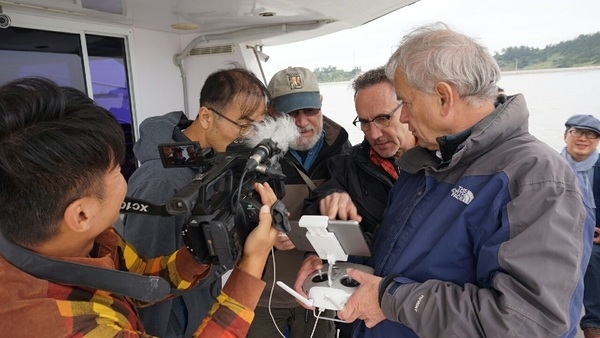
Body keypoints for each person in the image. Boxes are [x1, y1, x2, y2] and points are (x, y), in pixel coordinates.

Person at [334, 23, 593, 337]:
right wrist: (336, 273)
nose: (402, 117)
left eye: (407, 103)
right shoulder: (425, 163)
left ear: (444, 97)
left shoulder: (538, 179)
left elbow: (523, 323)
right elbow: (402, 260)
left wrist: (392, 299)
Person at [0, 77, 281, 336]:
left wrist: (205, 249)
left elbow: (141, 278)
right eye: (116, 170)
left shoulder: (96, 241)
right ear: (82, 214)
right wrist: (251, 264)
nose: (127, 176)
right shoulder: (65, 325)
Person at [122, 67, 271, 337]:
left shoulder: (212, 159)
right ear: (206, 117)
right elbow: (145, 283)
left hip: (202, 310)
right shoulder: (162, 182)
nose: (251, 136)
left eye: (257, 126)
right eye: (244, 124)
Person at [297, 67, 416, 338]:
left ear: (407, 108)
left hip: (418, 310)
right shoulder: (346, 165)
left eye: (383, 118)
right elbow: (314, 204)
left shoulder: (443, 165)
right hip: (362, 314)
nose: (374, 134)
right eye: (364, 122)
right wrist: (328, 202)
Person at [247, 66, 351, 338]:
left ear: (321, 104)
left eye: (310, 111)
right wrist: (265, 230)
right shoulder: (254, 154)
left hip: (321, 289)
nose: (303, 121)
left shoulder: (344, 149)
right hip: (263, 294)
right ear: (272, 112)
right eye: (292, 113)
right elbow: (236, 212)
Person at [561, 114, 600, 338]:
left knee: (593, 255)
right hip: (560, 235)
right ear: (566, 135)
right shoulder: (548, 164)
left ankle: (593, 325)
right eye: (577, 132)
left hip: (593, 239)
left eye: (591, 134)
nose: (584, 139)